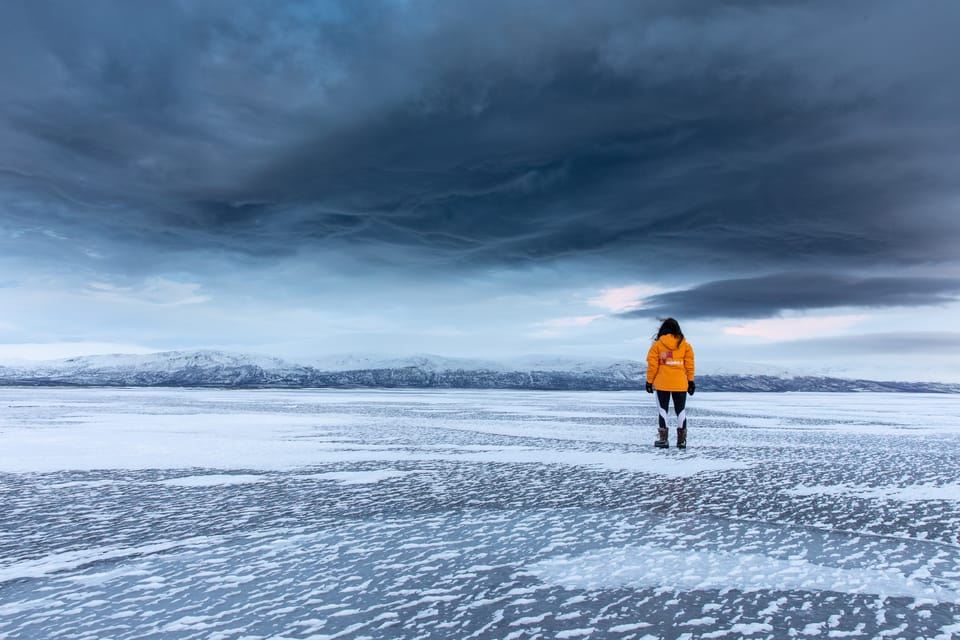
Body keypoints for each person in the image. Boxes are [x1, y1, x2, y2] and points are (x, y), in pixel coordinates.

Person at [645, 317, 695, 449]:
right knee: (681, 411)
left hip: (662, 384)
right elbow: (689, 365)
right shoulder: (685, 346)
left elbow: (652, 366)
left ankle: (663, 440)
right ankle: (681, 441)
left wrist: (649, 382)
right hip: (680, 384)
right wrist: (690, 381)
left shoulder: (657, 346)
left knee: (663, 411)